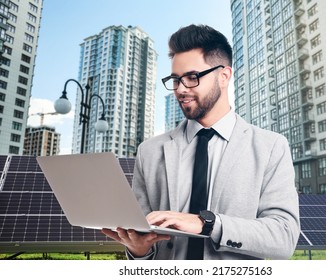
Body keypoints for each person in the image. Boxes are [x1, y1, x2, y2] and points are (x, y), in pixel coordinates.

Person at [102, 24, 300, 260]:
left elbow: (283, 237)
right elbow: (143, 240)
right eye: (175, 80)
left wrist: (207, 224)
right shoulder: (150, 151)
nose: (181, 89)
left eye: (192, 77)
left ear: (224, 76)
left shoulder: (270, 147)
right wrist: (138, 249)